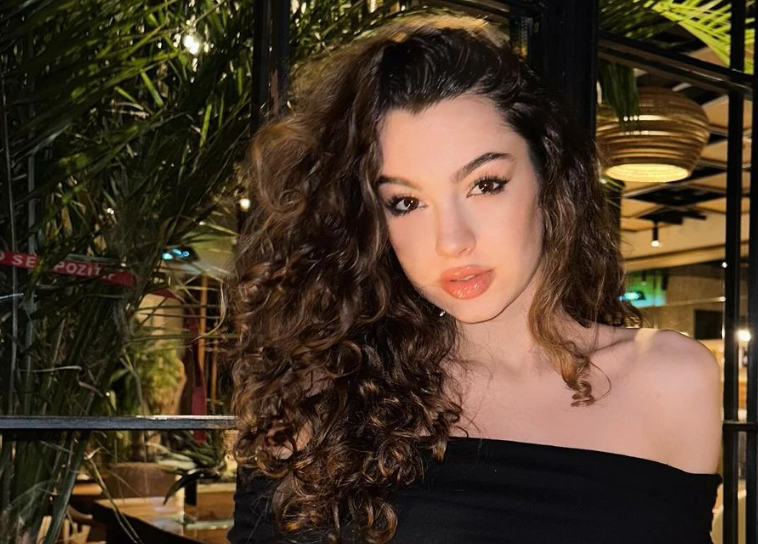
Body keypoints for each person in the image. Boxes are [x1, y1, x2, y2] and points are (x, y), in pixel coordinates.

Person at [225, 12, 723, 544]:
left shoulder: (672, 380)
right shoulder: (321, 400)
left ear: (549, 174)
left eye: (485, 185)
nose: (451, 241)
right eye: (406, 202)